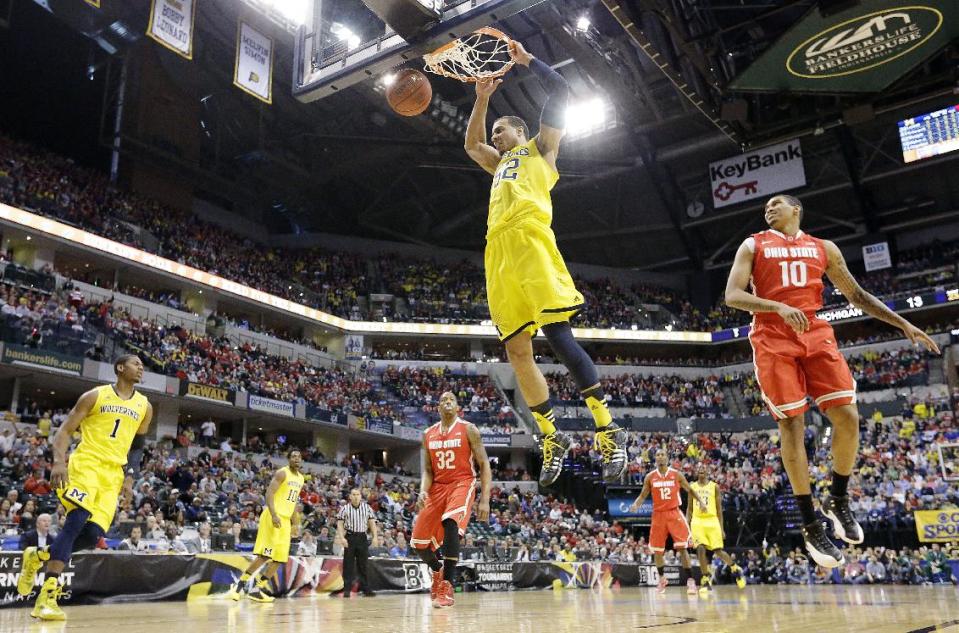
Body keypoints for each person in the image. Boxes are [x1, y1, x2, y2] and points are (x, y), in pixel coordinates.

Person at [724, 194, 939, 567]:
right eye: (766, 207)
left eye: (776, 204)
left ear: (797, 210)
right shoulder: (753, 245)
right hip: (773, 338)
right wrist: (777, 306)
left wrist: (901, 322)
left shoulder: (823, 248)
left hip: (815, 331)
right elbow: (733, 296)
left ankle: (837, 498)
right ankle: (810, 523)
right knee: (792, 424)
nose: (768, 209)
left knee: (849, 417)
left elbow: (856, 294)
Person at [464, 39, 627, 485]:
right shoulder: (497, 164)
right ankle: (552, 436)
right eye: (496, 133)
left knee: (557, 334)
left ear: (520, 131)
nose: (496, 137)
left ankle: (608, 429)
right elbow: (472, 144)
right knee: (517, 349)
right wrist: (481, 99)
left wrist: (527, 60)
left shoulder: (541, 148)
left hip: (532, 239)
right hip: (497, 252)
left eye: (502, 131)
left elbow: (562, 93)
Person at [17, 354, 153, 621]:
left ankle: (38, 556)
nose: (141, 368)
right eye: (136, 363)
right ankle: (47, 597)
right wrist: (58, 461)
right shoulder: (95, 396)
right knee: (76, 520)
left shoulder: (144, 406)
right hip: (87, 464)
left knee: (92, 536)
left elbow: (137, 446)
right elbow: (65, 431)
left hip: (112, 475)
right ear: (120, 368)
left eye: (142, 365)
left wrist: (130, 477)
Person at [411, 391, 492, 609]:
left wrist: (485, 499)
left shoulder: (468, 429)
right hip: (437, 488)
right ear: (438, 408)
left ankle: (447, 584)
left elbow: (484, 464)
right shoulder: (428, 434)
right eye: (443, 401)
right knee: (418, 543)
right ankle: (437, 571)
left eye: (451, 400)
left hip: (462, 483)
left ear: (458, 408)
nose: (447, 402)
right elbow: (428, 470)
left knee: (451, 522)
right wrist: (422, 491)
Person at [227, 450, 305, 603]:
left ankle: (257, 589)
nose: (297, 458)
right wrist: (274, 514)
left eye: (299, 456)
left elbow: (294, 502)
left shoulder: (301, 478)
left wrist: (296, 523)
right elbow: (269, 493)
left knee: (280, 558)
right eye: (293, 456)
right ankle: (238, 586)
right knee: (265, 555)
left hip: (285, 521)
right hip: (272, 517)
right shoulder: (282, 473)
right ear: (288, 459)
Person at [629, 449, 706, 595]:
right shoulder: (650, 477)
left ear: (667, 457)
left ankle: (690, 582)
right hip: (658, 515)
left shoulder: (676, 474)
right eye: (657, 455)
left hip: (674, 513)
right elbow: (643, 494)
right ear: (655, 459)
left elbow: (689, 490)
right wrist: (635, 505)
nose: (660, 457)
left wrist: (701, 501)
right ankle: (662, 579)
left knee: (682, 548)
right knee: (657, 551)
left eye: (662, 454)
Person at [686, 464, 745, 593]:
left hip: (712, 521)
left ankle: (735, 568)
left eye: (704, 468)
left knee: (718, 551)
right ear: (696, 472)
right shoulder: (692, 487)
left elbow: (719, 510)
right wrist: (687, 524)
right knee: (700, 549)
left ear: (708, 472)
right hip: (697, 521)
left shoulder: (714, 487)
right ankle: (706, 579)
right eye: (699, 468)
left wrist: (722, 528)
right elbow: (689, 508)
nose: (701, 470)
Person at [332, 488, 379, 597]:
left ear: (361, 496)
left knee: (363, 564)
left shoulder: (367, 508)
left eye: (358, 494)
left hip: (362, 537)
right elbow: (339, 524)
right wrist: (342, 538)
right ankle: (347, 589)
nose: (356, 496)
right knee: (348, 564)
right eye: (353, 494)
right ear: (350, 497)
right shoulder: (345, 509)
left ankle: (366, 589)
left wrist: (375, 537)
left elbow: (372, 524)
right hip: (350, 536)